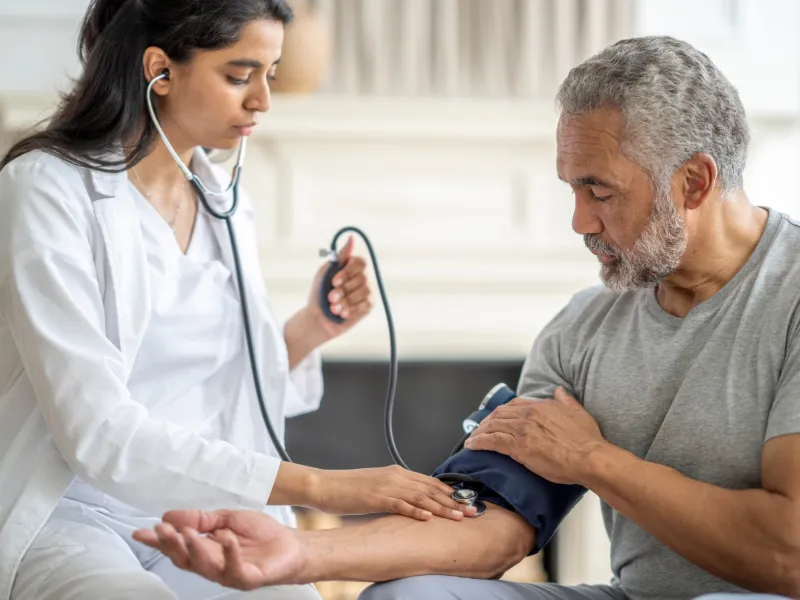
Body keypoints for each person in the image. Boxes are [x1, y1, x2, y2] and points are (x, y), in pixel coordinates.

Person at [135, 35, 800, 600]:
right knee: (410, 595)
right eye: (573, 189)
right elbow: (490, 526)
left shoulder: (790, 297)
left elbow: (788, 554)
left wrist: (593, 460)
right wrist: (297, 553)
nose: (580, 222)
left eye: (601, 192)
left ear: (694, 183)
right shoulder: (582, 330)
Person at [0, 1, 475, 599]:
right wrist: (328, 488)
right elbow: (97, 431)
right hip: (74, 513)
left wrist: (310, 328)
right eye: (238, 75)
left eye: (270, 75)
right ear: (160, 70)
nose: (262, 102)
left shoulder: (222, 197)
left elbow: (222, 387)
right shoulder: (46, 189)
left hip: (199, 516)